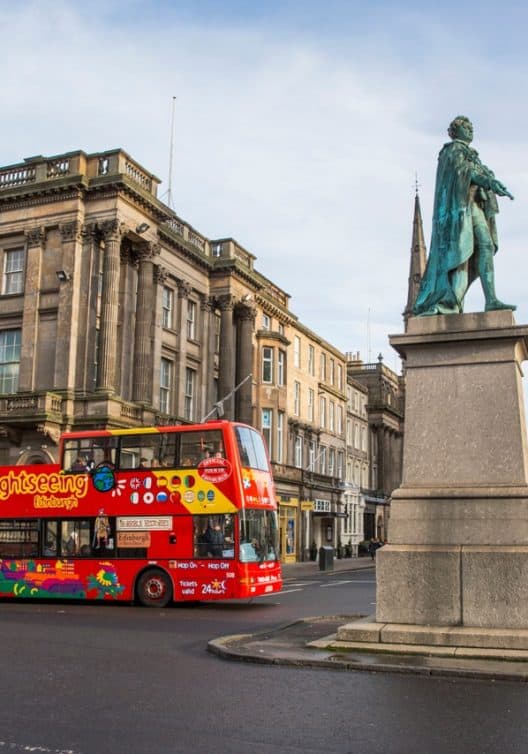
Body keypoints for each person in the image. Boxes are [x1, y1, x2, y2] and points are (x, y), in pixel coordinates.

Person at [413, 115, 515, 316]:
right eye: (465, 127)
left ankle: (491, 299)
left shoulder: (471, 154)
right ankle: (452, 300)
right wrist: (485, 180)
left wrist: (490, 180)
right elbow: (462, 172)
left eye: (471, 126)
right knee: (462, 256)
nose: (470, 129)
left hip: (474, 207)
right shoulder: (451, 151)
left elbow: (479, 172)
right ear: (454, 131)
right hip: (459, 211)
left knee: (485, 245)